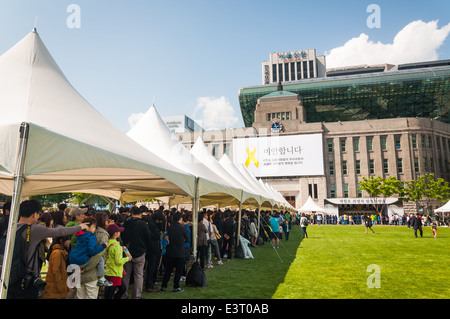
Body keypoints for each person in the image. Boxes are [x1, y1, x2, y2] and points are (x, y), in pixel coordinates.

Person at [5, 200, 88, 299]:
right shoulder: (34, 229)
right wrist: (80, 227)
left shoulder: (10, 229)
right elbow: (60, 231)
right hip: (28, 279)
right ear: (35, 214)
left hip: (10, 276)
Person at [120, 206, 152, 299]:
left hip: (126, 252)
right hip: (139, 252)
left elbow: (122, 236)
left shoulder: (125, 223)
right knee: (138, 275)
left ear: (131, 213)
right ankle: (137, 296)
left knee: (126, 275)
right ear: (141, 215)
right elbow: (148, 238)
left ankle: (123, 295)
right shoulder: (143, 224)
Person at [160, 212, 188, 293]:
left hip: (171, 252)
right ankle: (176, 286)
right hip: (180, 252)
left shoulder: (170, 228)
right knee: (178, 271)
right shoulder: (183, 228)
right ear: (180, 219)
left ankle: (164, 286)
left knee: (168, 271)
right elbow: (186, 238)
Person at [104, 223, 131, 299]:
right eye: (118, 231)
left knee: (111, 291)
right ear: (115, 233)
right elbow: (118, 261)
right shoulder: (116, 246)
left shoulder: (108, 243)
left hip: (109, 271)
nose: (120, 233)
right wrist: (127, 258)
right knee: (114, 291)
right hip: (115, 272)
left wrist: (120, 250)